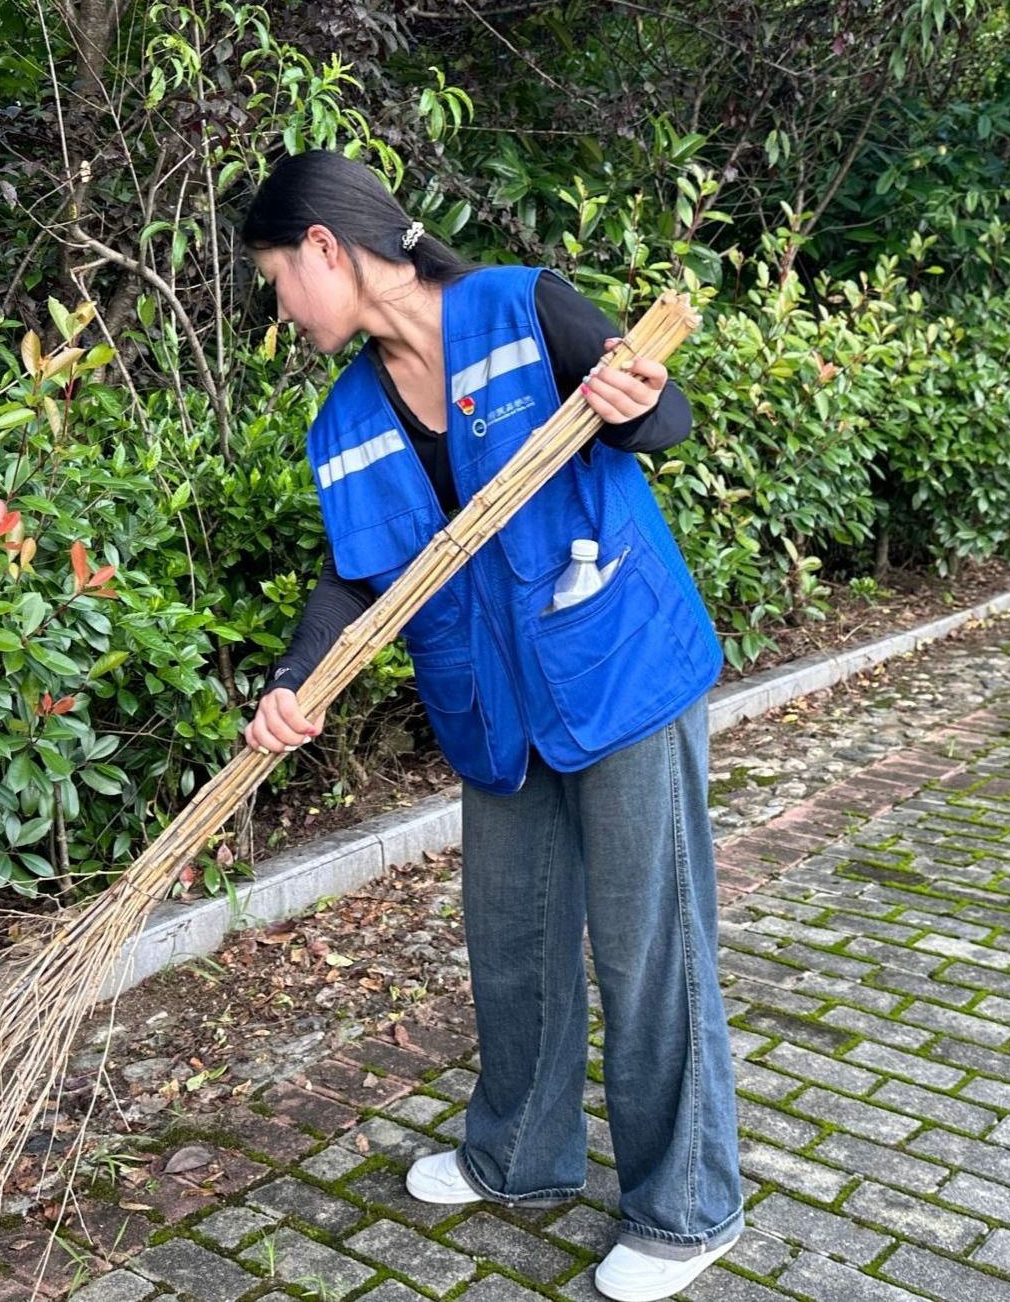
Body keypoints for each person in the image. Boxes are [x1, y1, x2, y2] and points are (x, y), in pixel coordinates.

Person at [240, 150, 742, 1302]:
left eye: (276, 279)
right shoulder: (346, 418)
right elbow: (356, 575)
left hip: (615, 667)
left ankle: (685, 1206)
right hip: (493, 707)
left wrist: (637, 403)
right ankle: (518, 1154)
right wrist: (295, 678)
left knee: (647, 944)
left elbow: (660, 416)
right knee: (513, 942)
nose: (280, 306)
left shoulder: (522, 308)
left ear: (324, 247)